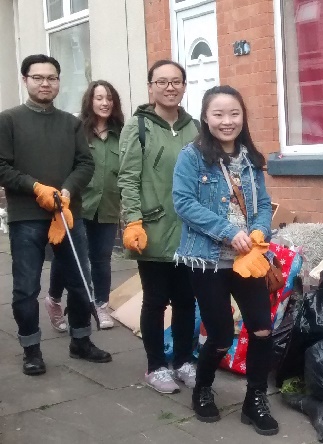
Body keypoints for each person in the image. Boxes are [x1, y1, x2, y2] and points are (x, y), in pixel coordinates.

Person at [172, 85, 276, 434]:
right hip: (208, 259)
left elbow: (262, 204)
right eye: (218, 114)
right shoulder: (191, 156)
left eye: (234, 113)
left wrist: (260, 231)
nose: (226, 121)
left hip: (248, 260)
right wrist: (227, 232)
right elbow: (184, 203)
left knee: (262, 329)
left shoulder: (251, 159)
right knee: (218, 335)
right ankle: (202, 390)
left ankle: (254, 400)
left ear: (242, 116)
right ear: (205, 117)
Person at [0, 54, 112, 375]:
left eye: (52, 78)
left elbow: (85, 164)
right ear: (25, 80)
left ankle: (80, 340)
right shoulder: (8, 120)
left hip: (67, 215)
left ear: (59, 82)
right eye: (38, 77)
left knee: (79, 281)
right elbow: (2, 166)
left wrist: (66, 190)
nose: (45, 83)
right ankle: (31, 348)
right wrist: (34, 187)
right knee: (26, 287)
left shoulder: (72, 123)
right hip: (26, 217)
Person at [118, 60, 199, 394]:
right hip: (152, 228)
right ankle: (155, 366)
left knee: (186, 299)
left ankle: (182, 360)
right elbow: (128, 178)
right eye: (162, 81)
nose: (170, 87)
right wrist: (133, 220)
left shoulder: (195, 127)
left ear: (183, 86)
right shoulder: (138, 126)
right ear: (150, 86)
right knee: (154, 300)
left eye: (176, 81)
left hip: (192, 231)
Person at [47, 80, 125, 331]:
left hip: (109, 205)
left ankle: (99, 305)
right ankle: (54, 299)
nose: (105, 103)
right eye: (99, 98)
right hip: (78, 205)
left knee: (101, 258)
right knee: (68, 256)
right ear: (90, 101)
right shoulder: (76, 130)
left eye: (109, 98)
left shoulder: (122, 133)